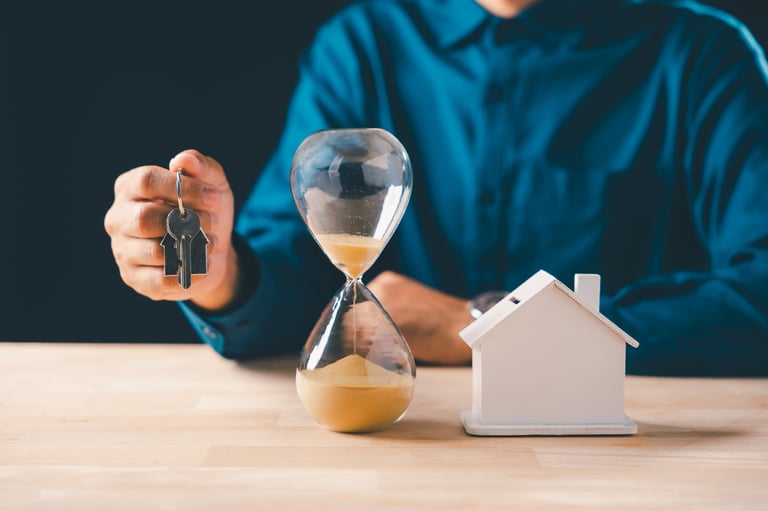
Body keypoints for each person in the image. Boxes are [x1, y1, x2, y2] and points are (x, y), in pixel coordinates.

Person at [104, 0, 768, 376]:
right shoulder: (363, 46)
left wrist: (481, 326)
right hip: (405, 440)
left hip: (630, 449)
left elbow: (759, 293)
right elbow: (298, 262)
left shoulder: (702, 56)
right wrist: (221, 271)